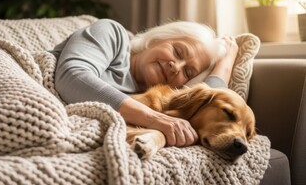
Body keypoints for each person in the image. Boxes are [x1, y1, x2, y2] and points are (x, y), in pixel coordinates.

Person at [50, 18, 238, 148]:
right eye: (178, 52)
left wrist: (226, 62)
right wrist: (153, 119)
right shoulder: (112, 33)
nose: (176, 66)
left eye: (188, 72)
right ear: (157, 39)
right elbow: (71, 77)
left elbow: (204, 99)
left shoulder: (156, 99)